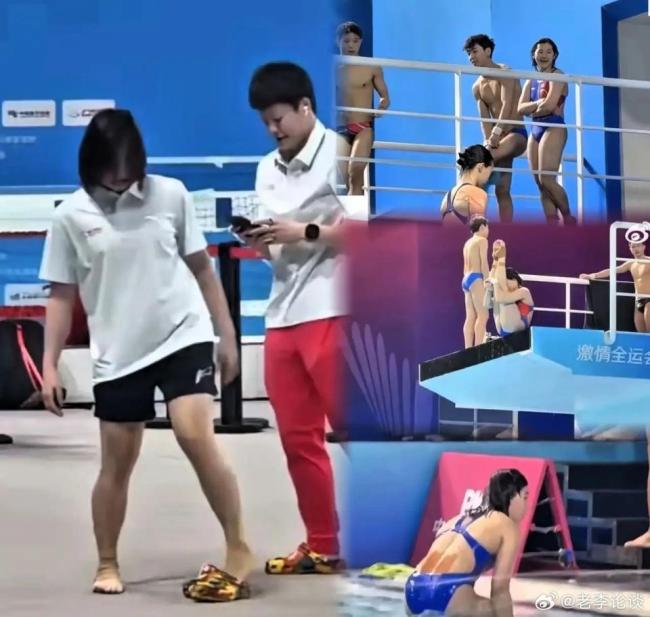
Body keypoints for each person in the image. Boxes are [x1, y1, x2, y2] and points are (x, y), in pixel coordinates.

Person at [39, 109, 254, 601]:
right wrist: (49, 363)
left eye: (129, 169)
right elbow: (61, 296)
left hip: (182, 334)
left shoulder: (170, 194)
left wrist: (226, 336)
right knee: (117, 462)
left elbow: (202, 270)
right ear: (92, 164)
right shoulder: (70, 215)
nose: (122, 179)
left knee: (194, 433)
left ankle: (238, 545)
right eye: (112, 170)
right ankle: (107, 561)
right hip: (119, 352)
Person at [245, 62, 346, 574]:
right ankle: (323, 543)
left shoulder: (345, 153)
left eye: (279, 118)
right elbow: (277, 249)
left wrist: (304, 231)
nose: (272, 129)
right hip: (282, 315)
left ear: (306, 108)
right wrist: (262, 240)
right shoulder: (265, 168)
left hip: (336, 308)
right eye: (265, 121)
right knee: (297, 441)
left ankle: (411, 541)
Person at [405, 469, 529, 617]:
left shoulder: (455, 520)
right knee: (498, 610)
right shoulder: (507, 526)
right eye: (525, 497)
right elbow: (499, 590)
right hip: (446, 594)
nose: (526, 506)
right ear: (511, 495)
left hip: (412, 590)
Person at [464, 34, 528, 223]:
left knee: (478, 166)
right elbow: (484, 119)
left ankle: (472, 219)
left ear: (487, 51)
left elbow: (508, 104)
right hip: (498, 141)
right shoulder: (477, 87)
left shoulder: (505, 72)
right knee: (502, 190)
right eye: (468, 53)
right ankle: (504, 232)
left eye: (474, 51)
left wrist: (496, 133)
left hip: (516, 134)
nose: (471, 57)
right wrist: (488, 140)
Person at [517, 38, 576, 226]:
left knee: (547, 179)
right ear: (534, 54)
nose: (544, 55)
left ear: (555, 55)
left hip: (554, 126)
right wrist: (537, 104)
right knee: (539, 182)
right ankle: (552, 224)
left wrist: (532, 109)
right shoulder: (530, 80)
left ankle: (569, 219)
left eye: (548, 52)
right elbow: (520, 108)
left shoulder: (558, 75)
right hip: (535, 128)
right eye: (540, 51)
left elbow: (550, 106)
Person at [336, 21, 390, 195]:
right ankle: (354, 210)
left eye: (355, 41)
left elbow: (385, 97)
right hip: (339, 128)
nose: (351, 45)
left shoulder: (371, 67)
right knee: (344, 178)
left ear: (361, 42)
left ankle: (356, 212)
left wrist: (381, 108)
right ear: (338, 41)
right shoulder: (332, 67)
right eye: (346, 41)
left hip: (363, 127)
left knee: (356, 172)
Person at [580, 234, 650, 333]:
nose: (636, 249)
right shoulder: (630, 264)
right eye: (633, 246)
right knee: (642, 334)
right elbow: (612, 270)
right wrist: (592, 275)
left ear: (643, 247)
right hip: (638, 301)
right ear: (630, 248)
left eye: (638, 245)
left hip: (649, 300)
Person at [486, 240, 534, 338]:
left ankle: (501, 257)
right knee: (497, 294)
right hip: (502, 329)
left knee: (502, 294)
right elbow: (487, 305)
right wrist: (489, 290)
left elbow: (502, 298)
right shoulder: (501, 290)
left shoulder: (524, 292)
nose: (507, 283)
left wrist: (495, 282)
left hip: (518, 328)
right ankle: (497, 259)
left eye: (510, 279)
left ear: (517, 280)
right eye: (506, 280)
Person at [441, 145, 493, 226]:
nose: (488, 178)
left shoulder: (447, 196)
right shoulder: (476, 193)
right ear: (481, 167)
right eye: (490, 172)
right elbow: (479, 230)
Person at [462, 216, 490, 348]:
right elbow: (484, 262)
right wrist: (487, 281)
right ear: (483, 227)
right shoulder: (482, 240)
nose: (488, 231)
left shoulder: (467, 243)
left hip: (466, 279)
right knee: (483, 315)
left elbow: (465, 266)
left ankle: (468, 348)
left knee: (471, 317)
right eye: (488, 228)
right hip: (476, 277)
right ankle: (478, 349)